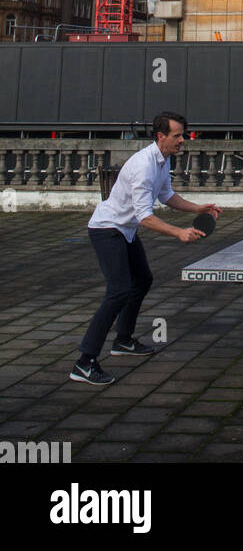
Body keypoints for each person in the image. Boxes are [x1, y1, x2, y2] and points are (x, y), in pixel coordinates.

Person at [70, 112, 220, 386]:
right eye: (177, 135)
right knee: (118, 291)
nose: (182, 140)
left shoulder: (163, 160)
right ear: (161, 136)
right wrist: (178, 232)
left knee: (142, 280)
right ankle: (85, 361)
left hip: (124, 229)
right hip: (107, 230)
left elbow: (167, 196)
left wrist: (199, 208)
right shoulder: (144, 166)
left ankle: (123, 340)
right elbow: (145, 217)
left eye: (183, 135)